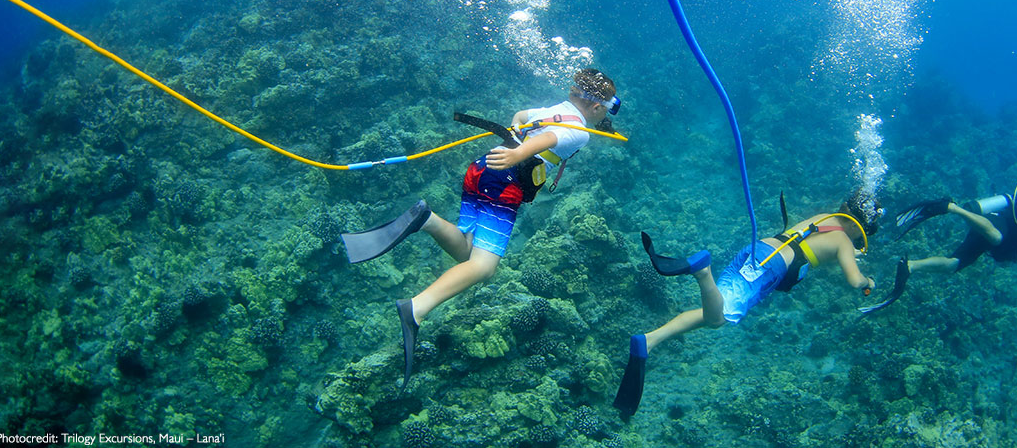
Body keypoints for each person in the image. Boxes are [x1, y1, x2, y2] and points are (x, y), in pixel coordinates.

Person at [341, 68, 621, 388]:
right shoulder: (580, 130)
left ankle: (426, 219)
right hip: (506, 182)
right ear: (597, 107)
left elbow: (520, 116)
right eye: (606, 111)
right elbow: (551, 138)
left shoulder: (551, 109)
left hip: (482, 168)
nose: (604, 118)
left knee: (467, 248)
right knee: (484, 266)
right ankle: (416, 308)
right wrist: (519, 153)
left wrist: (516, 143)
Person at [613, 193, 880, 417]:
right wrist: (867, 280)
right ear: (858, 226)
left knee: (710, 316)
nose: (858, 241)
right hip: (768, 267)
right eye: (863, 235)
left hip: (758, 250)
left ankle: (650, 340)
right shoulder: (844, 240)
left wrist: (849, 252)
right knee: (720, 318)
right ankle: (702, 272)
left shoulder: (825, 218)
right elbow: (854, 279)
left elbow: (817, 244)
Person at [894, 186, 1017, 277]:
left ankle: (911, 266)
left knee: (953, 265)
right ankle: (952, 208)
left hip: (985, 236)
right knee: (997, 237)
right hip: (994, 224)